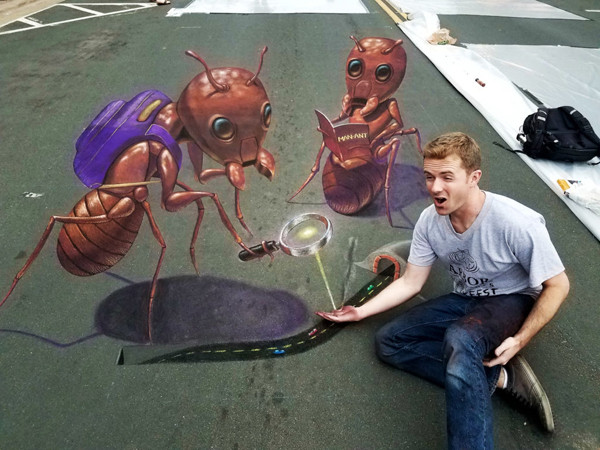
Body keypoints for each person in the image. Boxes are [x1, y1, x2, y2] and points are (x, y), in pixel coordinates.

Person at [317, 132, 569, 449]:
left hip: (513, 299)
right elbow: (411, 282)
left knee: (460, 339)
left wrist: (521, 339)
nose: (435, 188)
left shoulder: (517, 223)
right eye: (429, 177)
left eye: (447, 177)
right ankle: (503, 378)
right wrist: (360, 312)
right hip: (466, 299)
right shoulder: (429, 222)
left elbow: (558, 285)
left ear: (474, 178)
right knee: (389, 342)